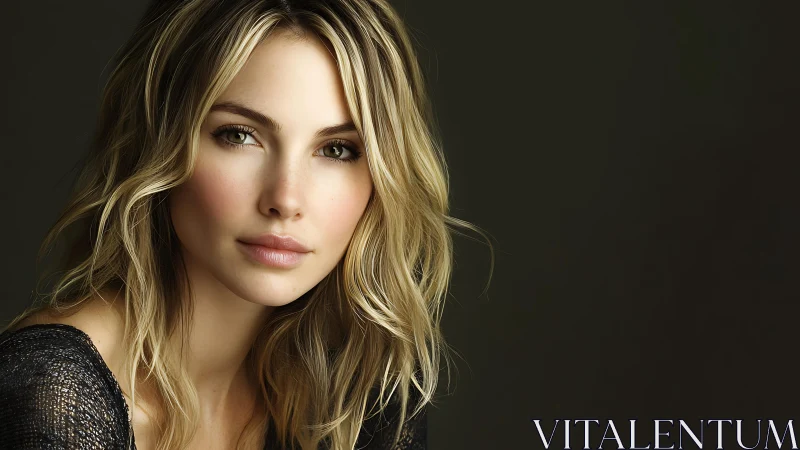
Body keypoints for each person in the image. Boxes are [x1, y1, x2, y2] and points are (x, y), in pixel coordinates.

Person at [0, 0, 493, 449]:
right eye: (239, 135)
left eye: (337, 149)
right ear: (161, 142)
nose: (286, 199)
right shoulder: (53, 393)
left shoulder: (360, 392)